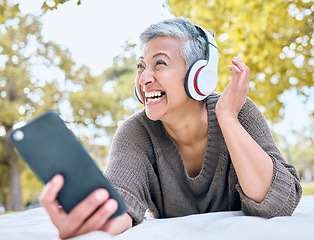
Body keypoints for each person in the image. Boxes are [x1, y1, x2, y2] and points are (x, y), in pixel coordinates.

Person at [39, 18, 302, 239]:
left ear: (199, 75)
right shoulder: (136, 133)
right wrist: (92, 225)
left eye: (159, 64)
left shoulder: (237, 110)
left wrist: (227, 118)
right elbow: (122, 205)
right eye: (141, 66)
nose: (144, 78)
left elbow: (276, 205)